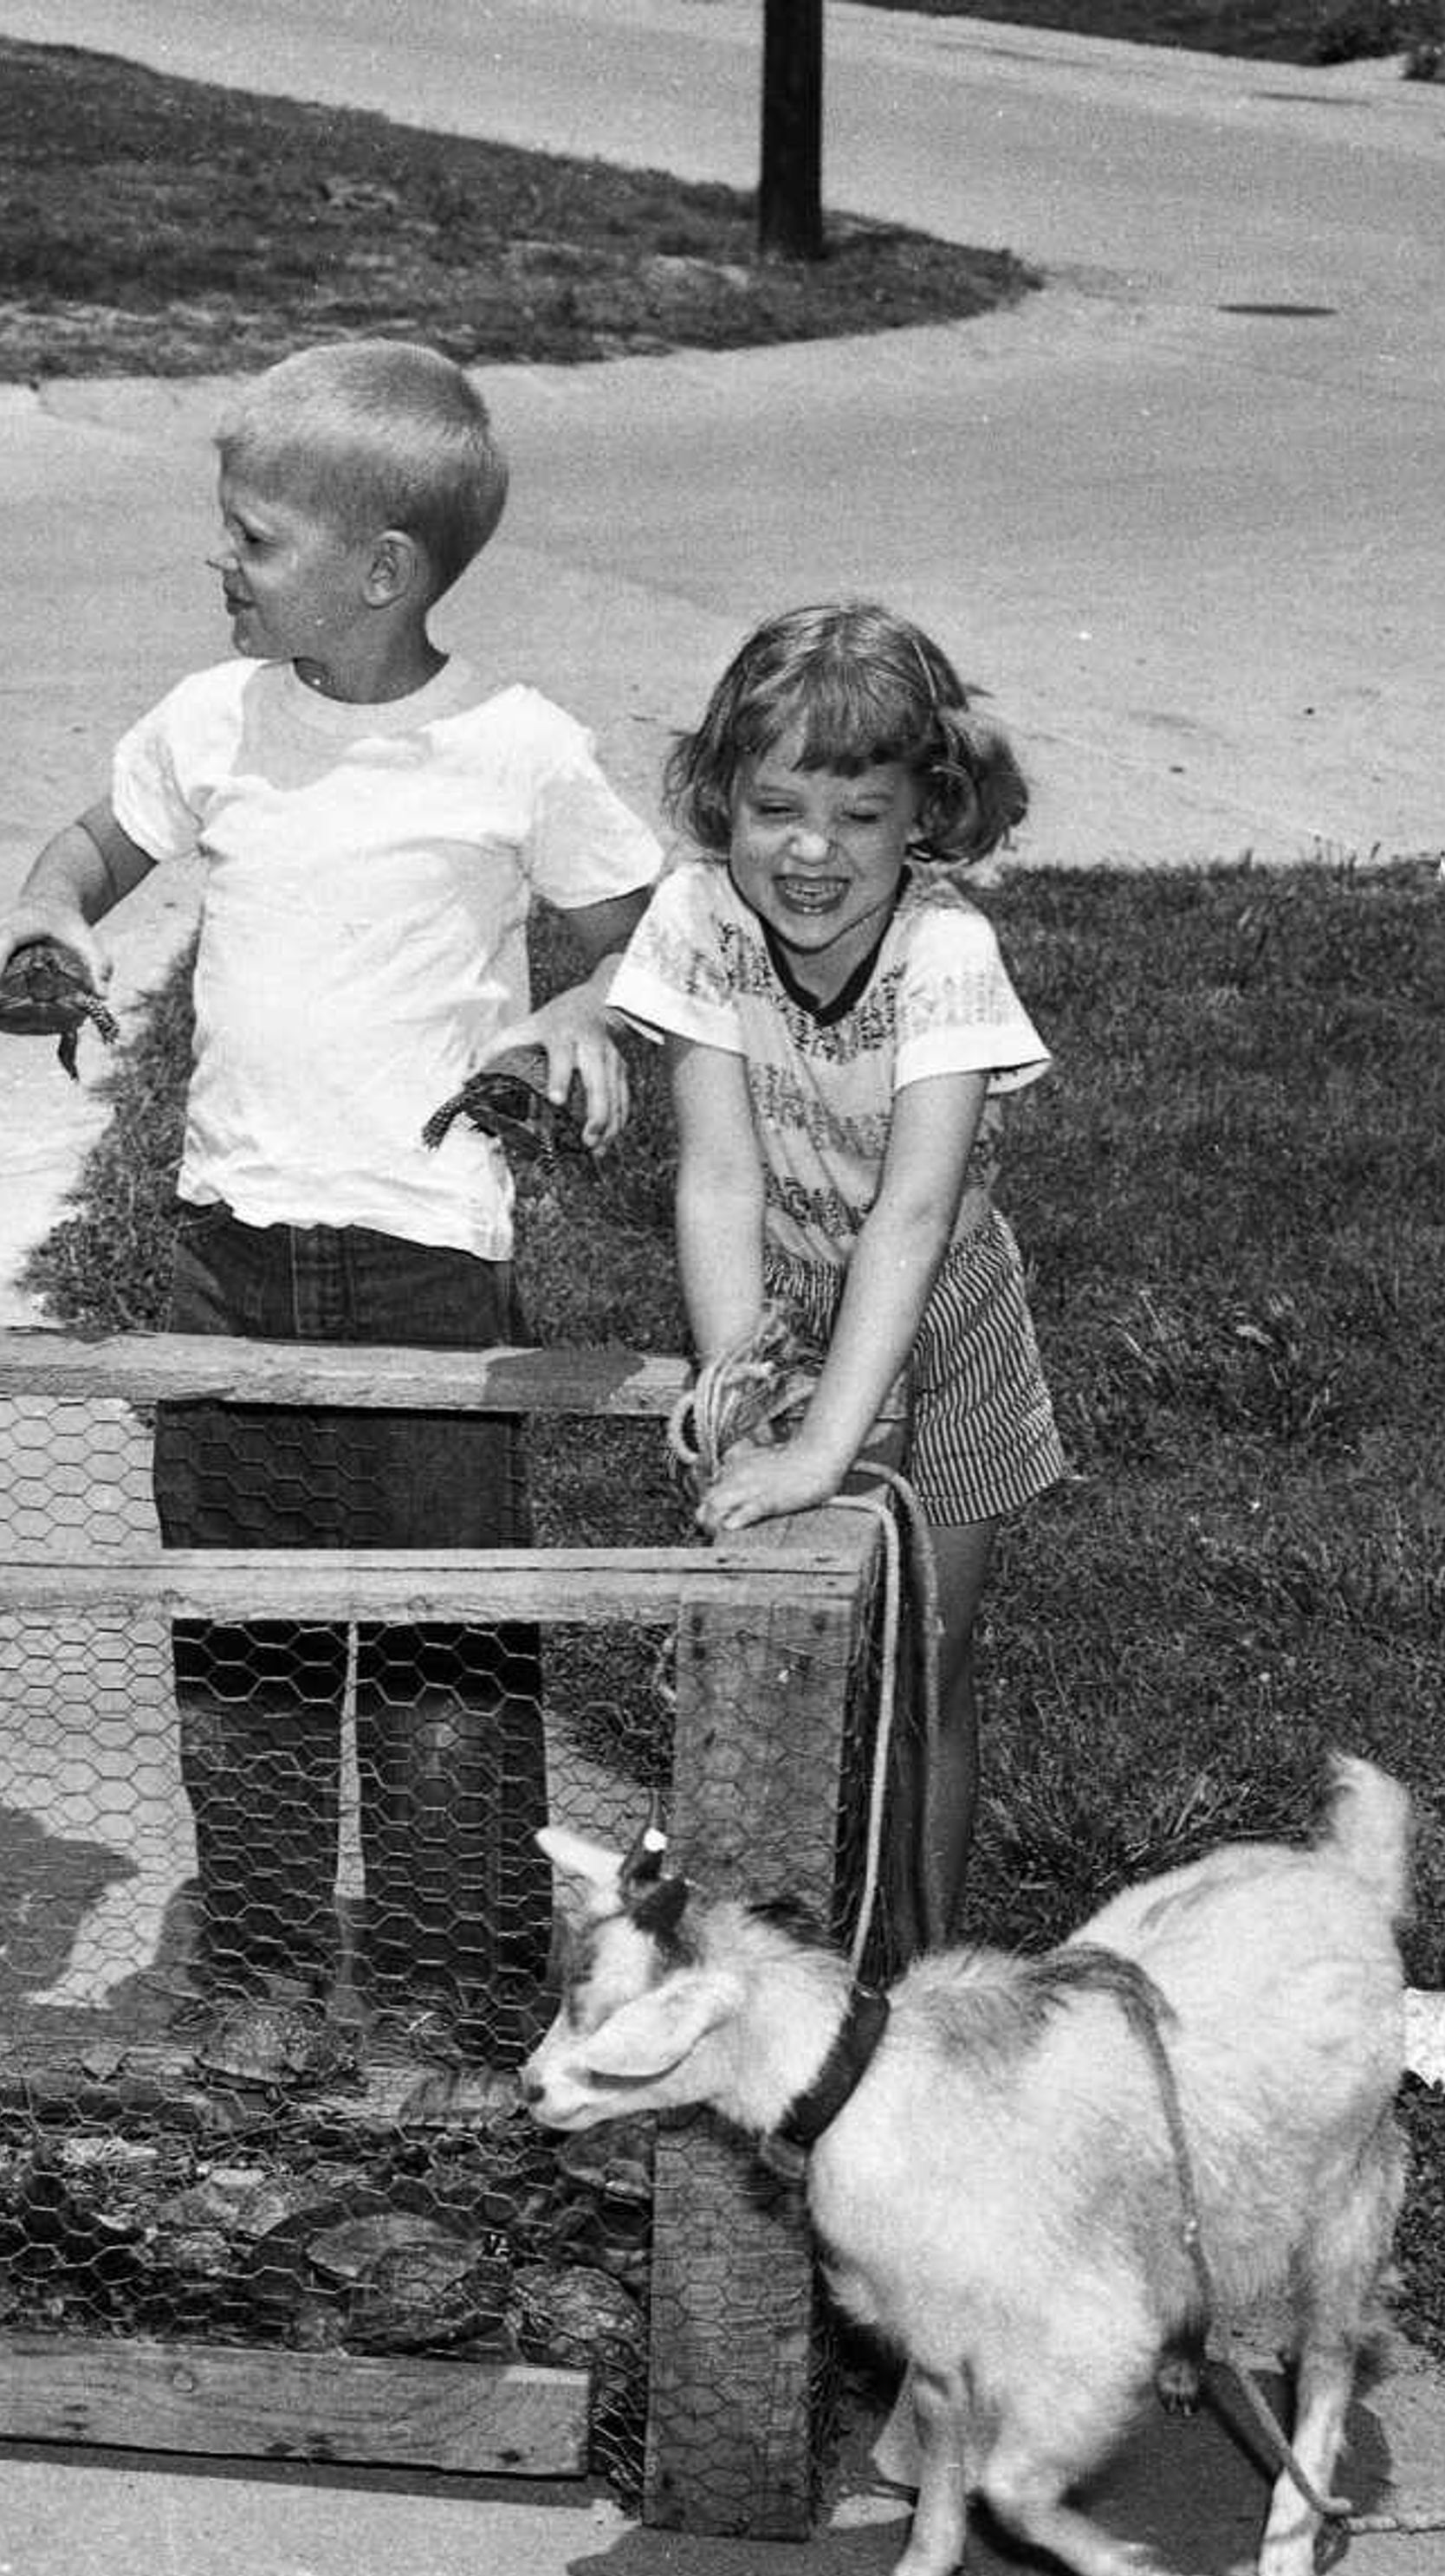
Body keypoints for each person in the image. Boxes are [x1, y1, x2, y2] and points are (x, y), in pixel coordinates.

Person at [0, 340, 662, 2078]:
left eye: (254, 537)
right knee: (249, 1628)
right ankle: (262, 1969)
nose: (225, 562)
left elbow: (654, 923)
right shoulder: (215, 721)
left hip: (427, 1266)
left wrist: (585, 1007)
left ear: (381, 569)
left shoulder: (514, 748)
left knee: (441, 1645)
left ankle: (449, 1979)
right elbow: (87, 849)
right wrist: (49, 915)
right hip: (227, 1258)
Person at [610, 599, 1063, 1964]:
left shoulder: (946, 954)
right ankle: (770, 1958)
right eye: (776, 806)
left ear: (926, 813)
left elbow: (914, 1217)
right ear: (720, 801)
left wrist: (832, 1449)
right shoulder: (698, 918)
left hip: (948, 1322)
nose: (812, 851)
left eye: (860, 814)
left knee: (924, 1658)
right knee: (773, 1652)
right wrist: (748, 1381)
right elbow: (718, 1179)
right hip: (794, 1311)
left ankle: (920, 1973)